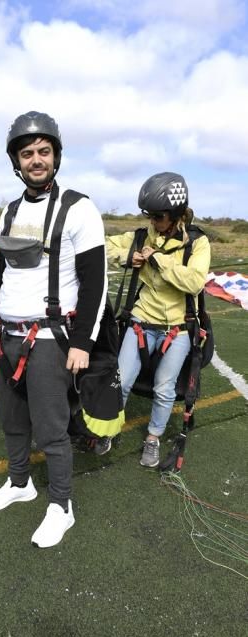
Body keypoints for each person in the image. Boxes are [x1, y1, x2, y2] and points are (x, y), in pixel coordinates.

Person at [0, 111, 108, 547]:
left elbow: (95, 282)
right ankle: (20, 483)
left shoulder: (80, 208)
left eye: (43, 151)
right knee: (12, 419)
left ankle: (61, 505)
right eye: (27, 153)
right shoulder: (9, 211)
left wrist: (82, 342)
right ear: (17, 161)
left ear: (56, 155)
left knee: (51, 427)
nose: (36, 159)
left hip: (48, 338)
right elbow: (6, 267)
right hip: (5, 334)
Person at [95, 172, 211, 467]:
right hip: (141, 320)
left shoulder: (197, 242)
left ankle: (153, 438)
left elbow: (195, 282)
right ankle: (109, 428)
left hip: (179, 328)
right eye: (149, 216)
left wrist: (157, 258)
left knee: (164, 388)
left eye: (158, 217)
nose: (153, 223)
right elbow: (104, 245)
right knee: (119, 383)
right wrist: (128, 256)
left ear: (175, 215)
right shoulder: (141, 237)